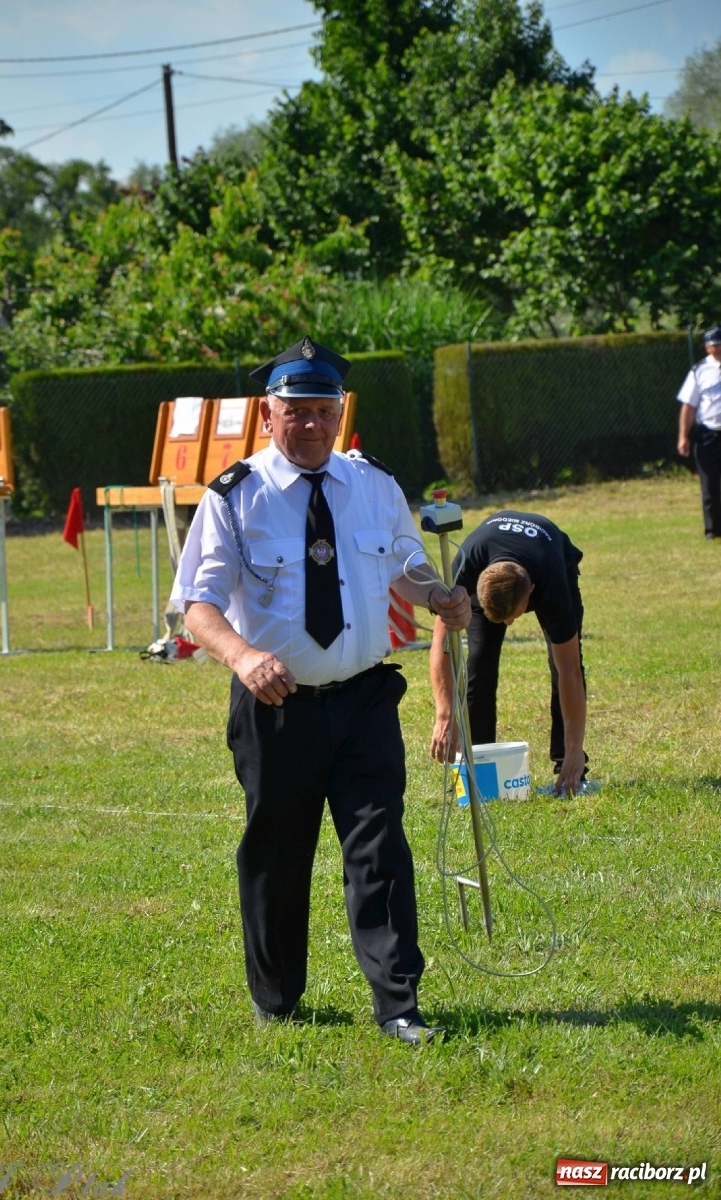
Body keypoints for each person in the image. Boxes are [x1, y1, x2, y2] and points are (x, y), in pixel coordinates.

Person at [170, 337, 470, 1046]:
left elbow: (404, 565)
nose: (308, 425)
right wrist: (244, 658)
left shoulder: (371, 485)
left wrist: (436, 594)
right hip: (277, 707)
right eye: (293, 412)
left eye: (321, 411)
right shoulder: (234, 497)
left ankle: (398, 1003)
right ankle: (277, 1000)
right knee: (277, 852)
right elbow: (197, 606)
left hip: (365, 698)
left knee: (379, 849)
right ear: (266, 417)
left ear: (340, 414)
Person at [429, 511, 588, 796]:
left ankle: (569, 765)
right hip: (488, 567)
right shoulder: (465, 568)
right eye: (500, 618)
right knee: (480, 663)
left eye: (513, 616)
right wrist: (444, 714)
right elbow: (441, 642)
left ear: (533, 593)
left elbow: (570, 672)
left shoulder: (550, 583)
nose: (509, 624)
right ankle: (477, 763)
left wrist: (576, 750)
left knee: (559, 665)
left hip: (552, 560)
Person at [677, 324, 721, 540]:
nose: (718, 349)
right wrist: (683, 436)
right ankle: (713, 530)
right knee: (710, 484)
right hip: (709, 434)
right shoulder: (699, 371)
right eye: (715, 345)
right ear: (707, 347)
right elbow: (689, 406)